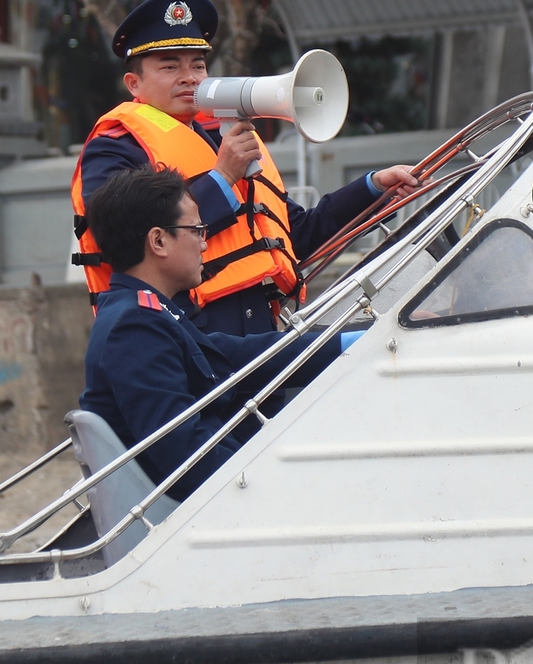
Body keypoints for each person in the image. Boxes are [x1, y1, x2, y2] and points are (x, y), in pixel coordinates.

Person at [72, 0, 419, 335]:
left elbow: (296, 232)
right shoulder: (113, 148)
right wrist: (223, 177)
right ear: (134, 83)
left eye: (198, 64)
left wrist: (374, 188)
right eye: (169, 66)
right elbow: (127, 238)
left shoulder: (219, 137)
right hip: (179, 335)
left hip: (258, 330)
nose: (189, 77)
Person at [80, 167, 344, 498]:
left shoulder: (144, 312)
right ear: (159, 240)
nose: (205, 245)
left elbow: (245, 357)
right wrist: (276, 484)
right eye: (196, 230)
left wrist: (354, 338)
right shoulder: (134, 326)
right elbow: (185, 455)